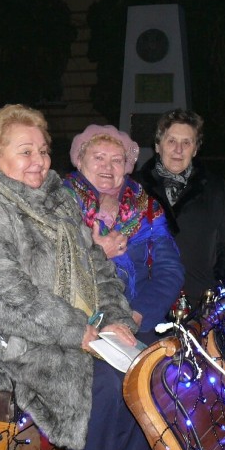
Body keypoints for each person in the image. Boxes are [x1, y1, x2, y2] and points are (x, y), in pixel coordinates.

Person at [0, 104, 172, 450]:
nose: (39, 161)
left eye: (43, 150)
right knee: (93, 376)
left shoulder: (58, 200)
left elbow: (95, 265)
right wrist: (72, 329)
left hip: (58, 322)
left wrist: (115, 317)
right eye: (25, 151)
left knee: (139, 358)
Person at [63, 124, 184, 342]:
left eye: (117, 160)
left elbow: (169, 270)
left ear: (127, 166)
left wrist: (138, 314)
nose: (107, 167)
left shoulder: (147, 209)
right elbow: (49, 268)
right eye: (98, 157)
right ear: (80, 161)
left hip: (136, 322)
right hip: (77, 327)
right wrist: (98, 253)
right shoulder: (58, 203)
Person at [137, 109, 225, 300]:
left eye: (186, 143)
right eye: (171, 141)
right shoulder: (135, 188)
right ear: (158, 145)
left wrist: (220, 288)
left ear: (196, 149)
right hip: (143, 302)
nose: (178, 150)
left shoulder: (216, 190)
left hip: (200, 303)